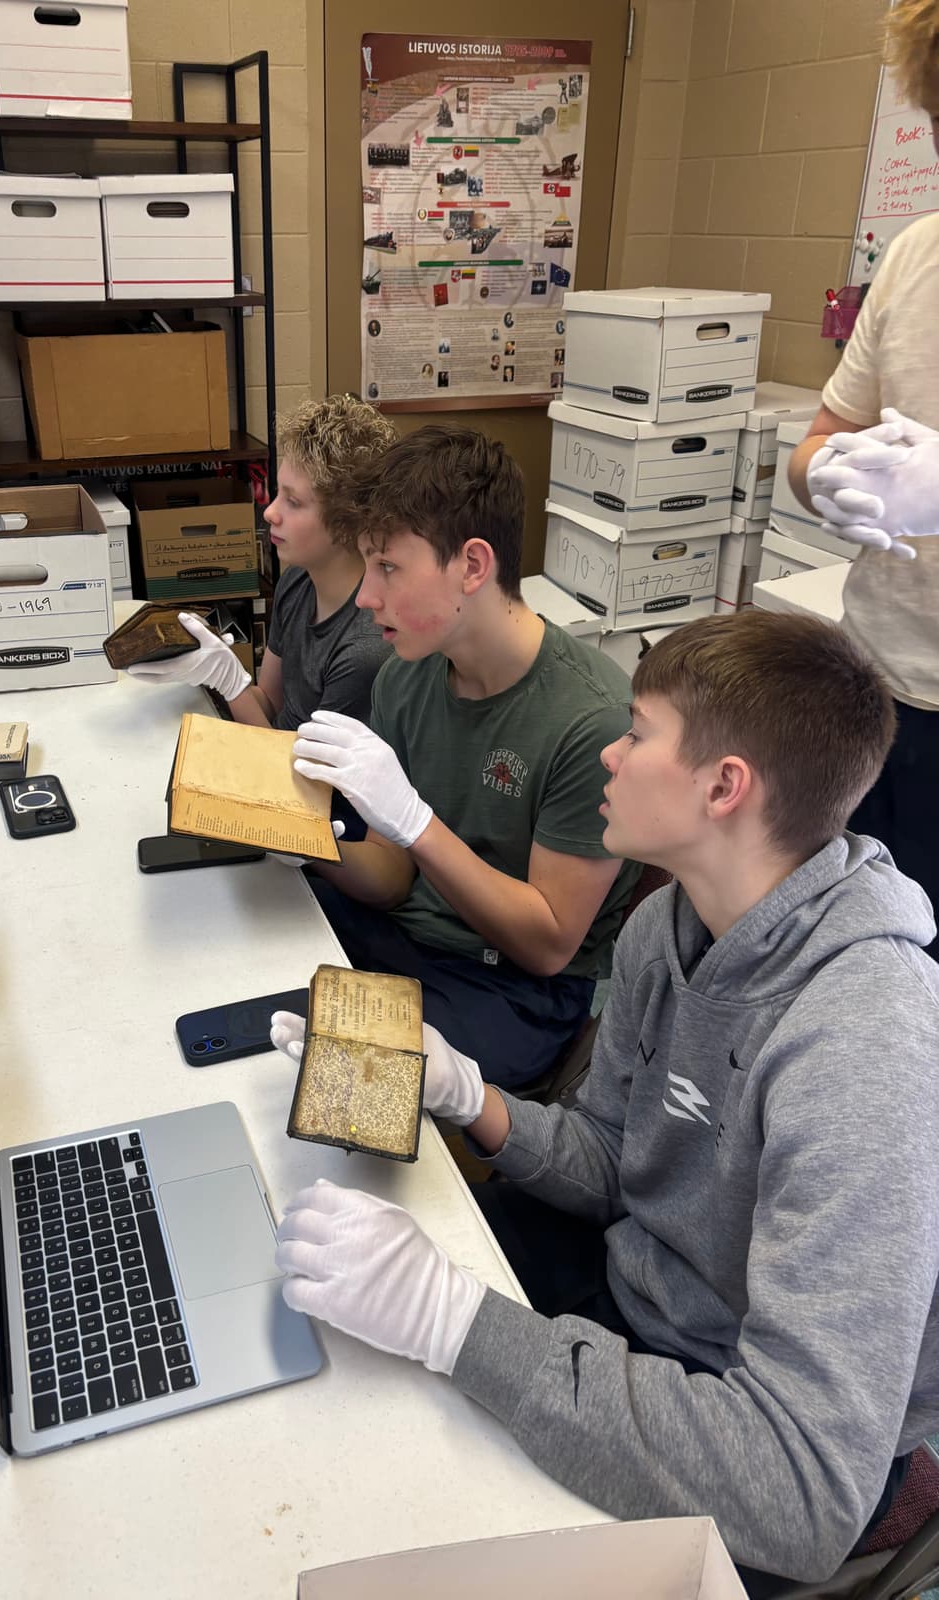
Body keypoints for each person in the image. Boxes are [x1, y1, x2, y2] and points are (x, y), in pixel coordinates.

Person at [272, 610, 939, 1589]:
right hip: (643, 1296)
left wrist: (455, 1320)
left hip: (755, 1426)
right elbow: (617, 1164)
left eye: (637, 732)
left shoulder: (865, 1040)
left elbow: (798, 1487)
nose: (610, 757)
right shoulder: (667, 922)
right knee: (333, 1376)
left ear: (724, 787)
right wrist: (465, 1093)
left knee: (412, 1544)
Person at [291, 426, 638, 1088]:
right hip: (404, 938)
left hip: (507, 989)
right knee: (256, 960)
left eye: (388, 567)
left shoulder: (592, 721)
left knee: (349, 1086)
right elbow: (394, 879)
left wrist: (416, 822)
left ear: (473, 566)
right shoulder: (406, 673)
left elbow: (547, 943)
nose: (366, 596)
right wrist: (312, 845)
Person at [788, 0, 939, 956]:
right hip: (881, 684)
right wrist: (828, 478)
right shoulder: (918, 254)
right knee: (856, 947)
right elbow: (817, 443)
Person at [126, 394, 397, 730]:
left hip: (304, 778)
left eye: (293, 501)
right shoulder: (298, 579)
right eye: (278, 493)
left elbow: (300, 781)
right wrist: (213, 674)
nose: (269, 512)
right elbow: (269, 704)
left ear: (348, 521)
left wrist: (232, 684)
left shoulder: (365, 650)